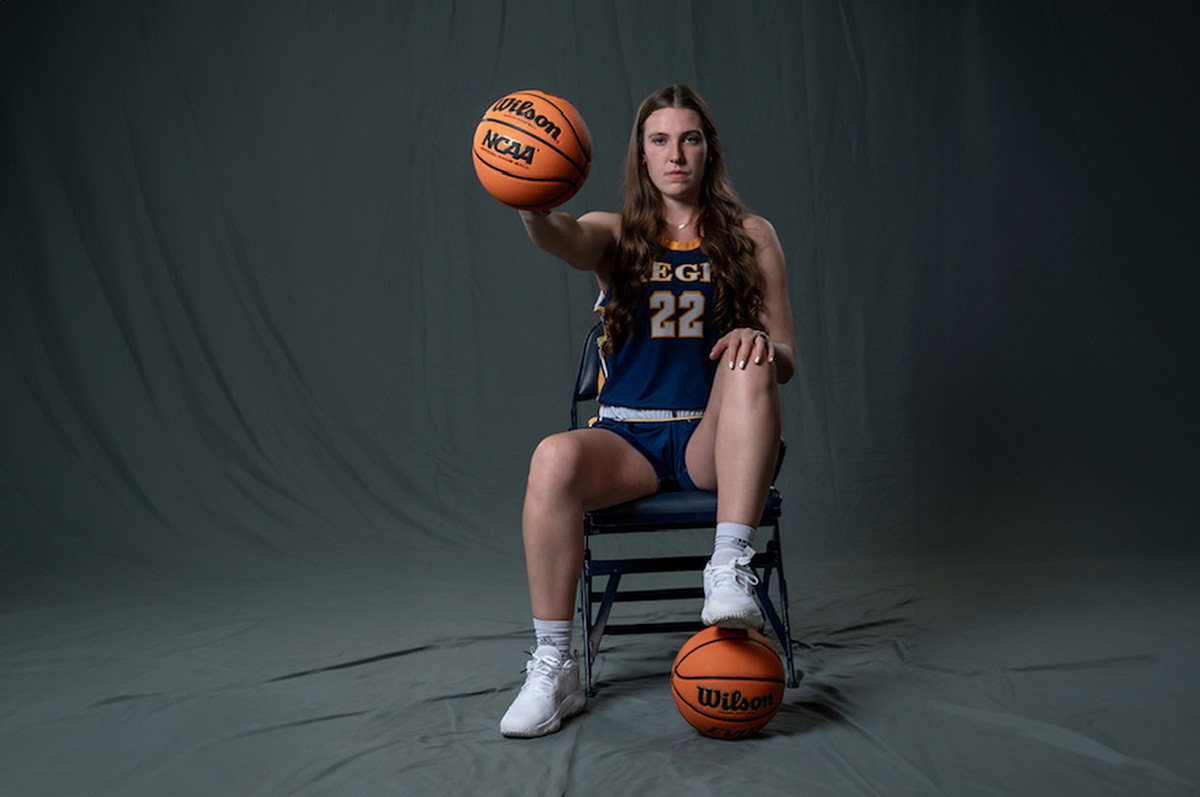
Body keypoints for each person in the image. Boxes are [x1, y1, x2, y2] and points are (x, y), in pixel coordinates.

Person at [499, 84, 796, 738]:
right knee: (551, 457)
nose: (676, 154)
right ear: (641, 152)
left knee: (750, 354)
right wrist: (529, 199)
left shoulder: (752, 236)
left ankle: (727, 569)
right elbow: (563, 236)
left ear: (708, 150)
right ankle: (554, 664)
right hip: (629, 440)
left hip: (714, 442)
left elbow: (787, 353)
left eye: (689, 138)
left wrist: (760, 342)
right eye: (659, 139)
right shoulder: (618, 234)